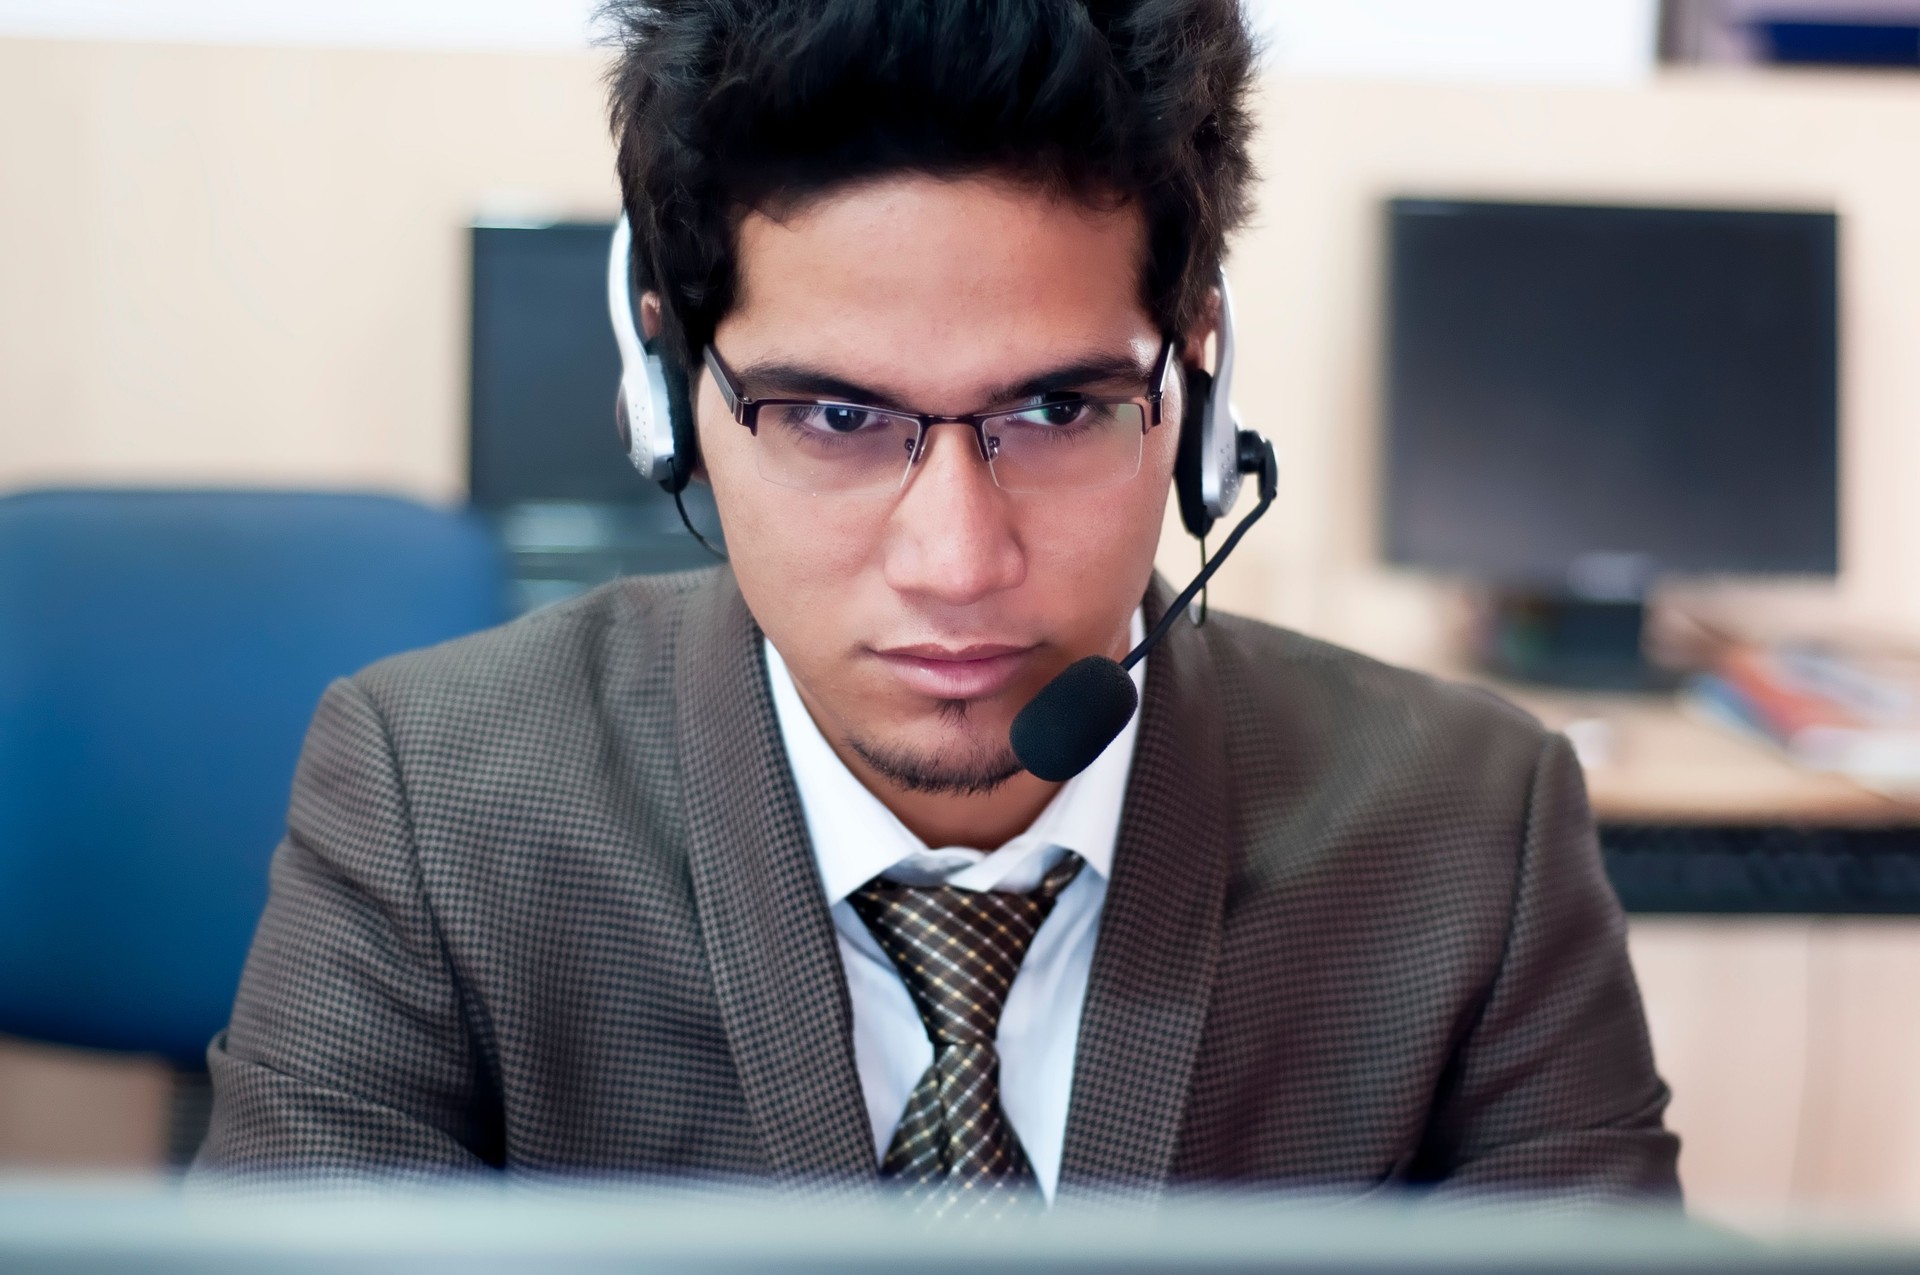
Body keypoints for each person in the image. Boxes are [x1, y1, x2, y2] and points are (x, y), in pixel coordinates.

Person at [197, 0, 1679, 1210]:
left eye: (1058, 408)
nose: (957, 561)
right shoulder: (432, 801)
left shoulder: (1474, 832)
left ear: (1202, 391)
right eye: (835, 418)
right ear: (667, 397)